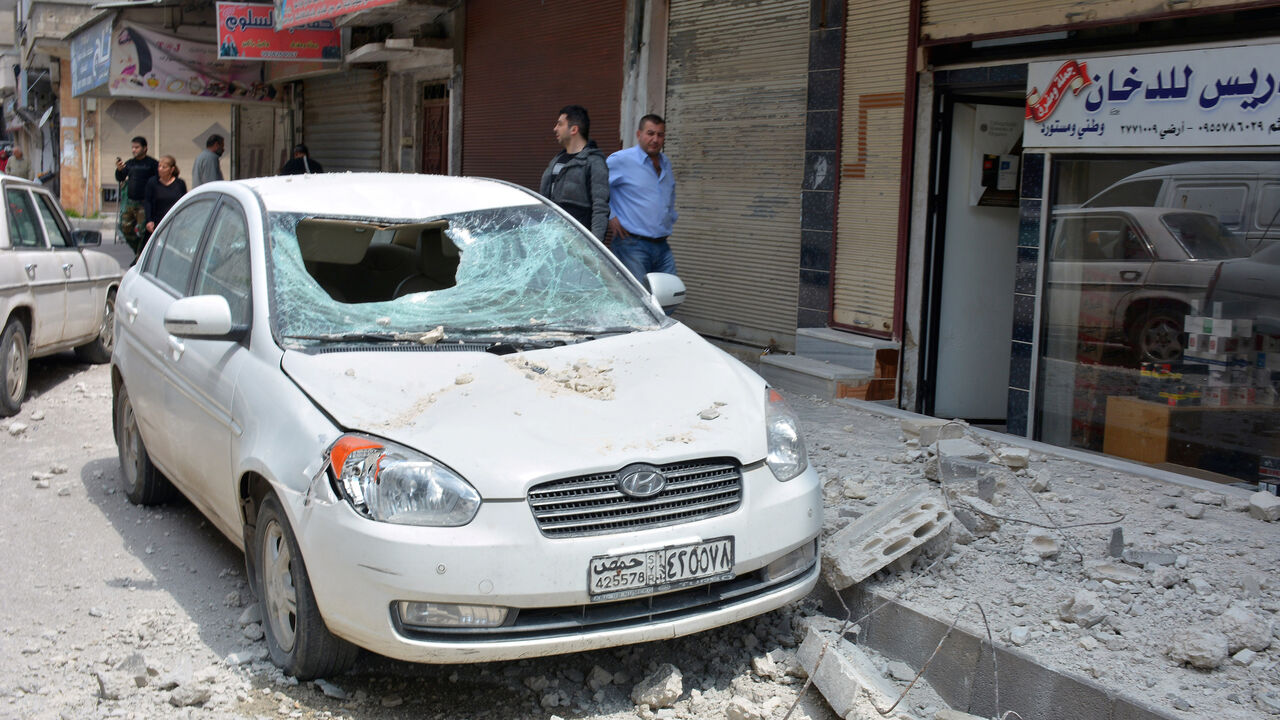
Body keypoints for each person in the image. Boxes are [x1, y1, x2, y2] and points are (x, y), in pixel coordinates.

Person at [606, 114, 678, 282]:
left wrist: (671, 217)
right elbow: (595, 188)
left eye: (660, 135)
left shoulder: (665, 162)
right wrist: (610, 215)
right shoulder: (621, 160)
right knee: (640, 299)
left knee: (670, 294)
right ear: (639, 134)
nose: (655, 139)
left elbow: (670, 193)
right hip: (632, 244)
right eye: (650, 133)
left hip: (662, 244)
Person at [539, 105, 609, 241]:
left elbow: (600, 208)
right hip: (552, 239)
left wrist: (595, 248)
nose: (555, 129)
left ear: (574, 129)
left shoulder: (593, 161)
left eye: (560, 124)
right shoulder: (557, 160)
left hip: (577, 243)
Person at [115, 136, 159, 255]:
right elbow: (120, 177)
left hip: (144, 204)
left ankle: (141, 256)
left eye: (137, 147)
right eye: (133, 147)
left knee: (143, 232)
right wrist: (119, 170)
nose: (134, 150)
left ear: (145, 148)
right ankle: (138, 252)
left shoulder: (152, 164)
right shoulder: (129, 164)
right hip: (131, 203)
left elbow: (158, 182)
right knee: (125, 228)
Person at [142, 155, 187, 244]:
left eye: (164, 167)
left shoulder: (180, 183)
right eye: (159, 166)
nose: (160, 169)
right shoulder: (152, 182)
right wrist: (149, 220)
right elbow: (148, 202)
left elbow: (184, 202)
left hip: (175, 223)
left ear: (172, 169)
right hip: (157, 222)